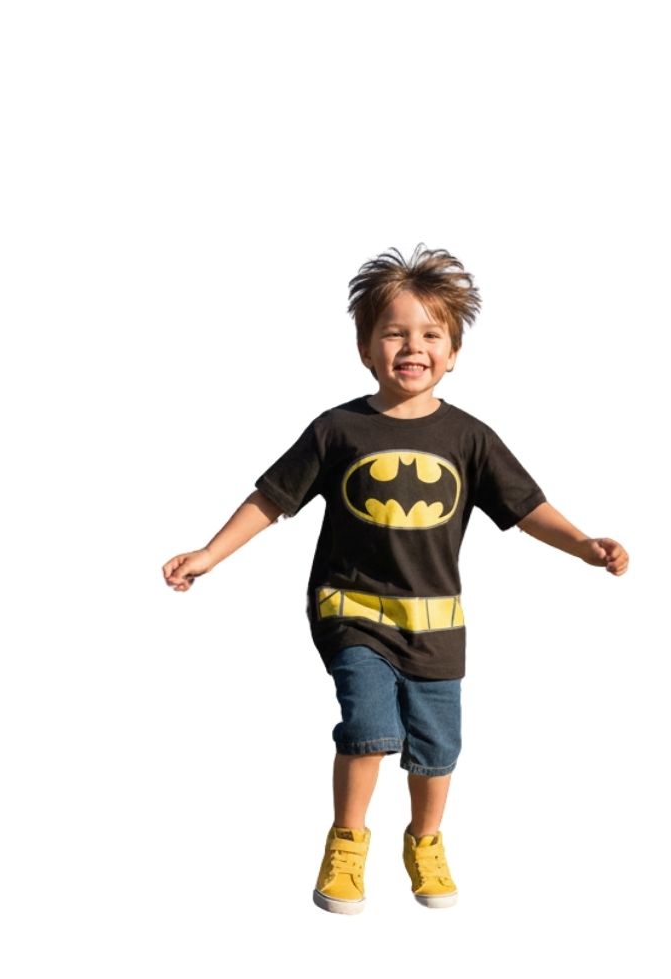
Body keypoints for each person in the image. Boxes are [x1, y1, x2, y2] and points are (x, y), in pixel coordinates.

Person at [162, 244, 629, 914]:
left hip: (436, 621)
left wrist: (583, 544)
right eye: (394, 333)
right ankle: (347, 843)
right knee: (369, 724)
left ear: (454, 352)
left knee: (438, 748)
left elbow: (528, 509)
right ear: (365, 348)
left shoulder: (470, 438)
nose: (413, 347)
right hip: (350, 608)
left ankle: (425, 841)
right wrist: (211, 553)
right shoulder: (338, 430)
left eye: (431, 335)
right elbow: (273, 498)